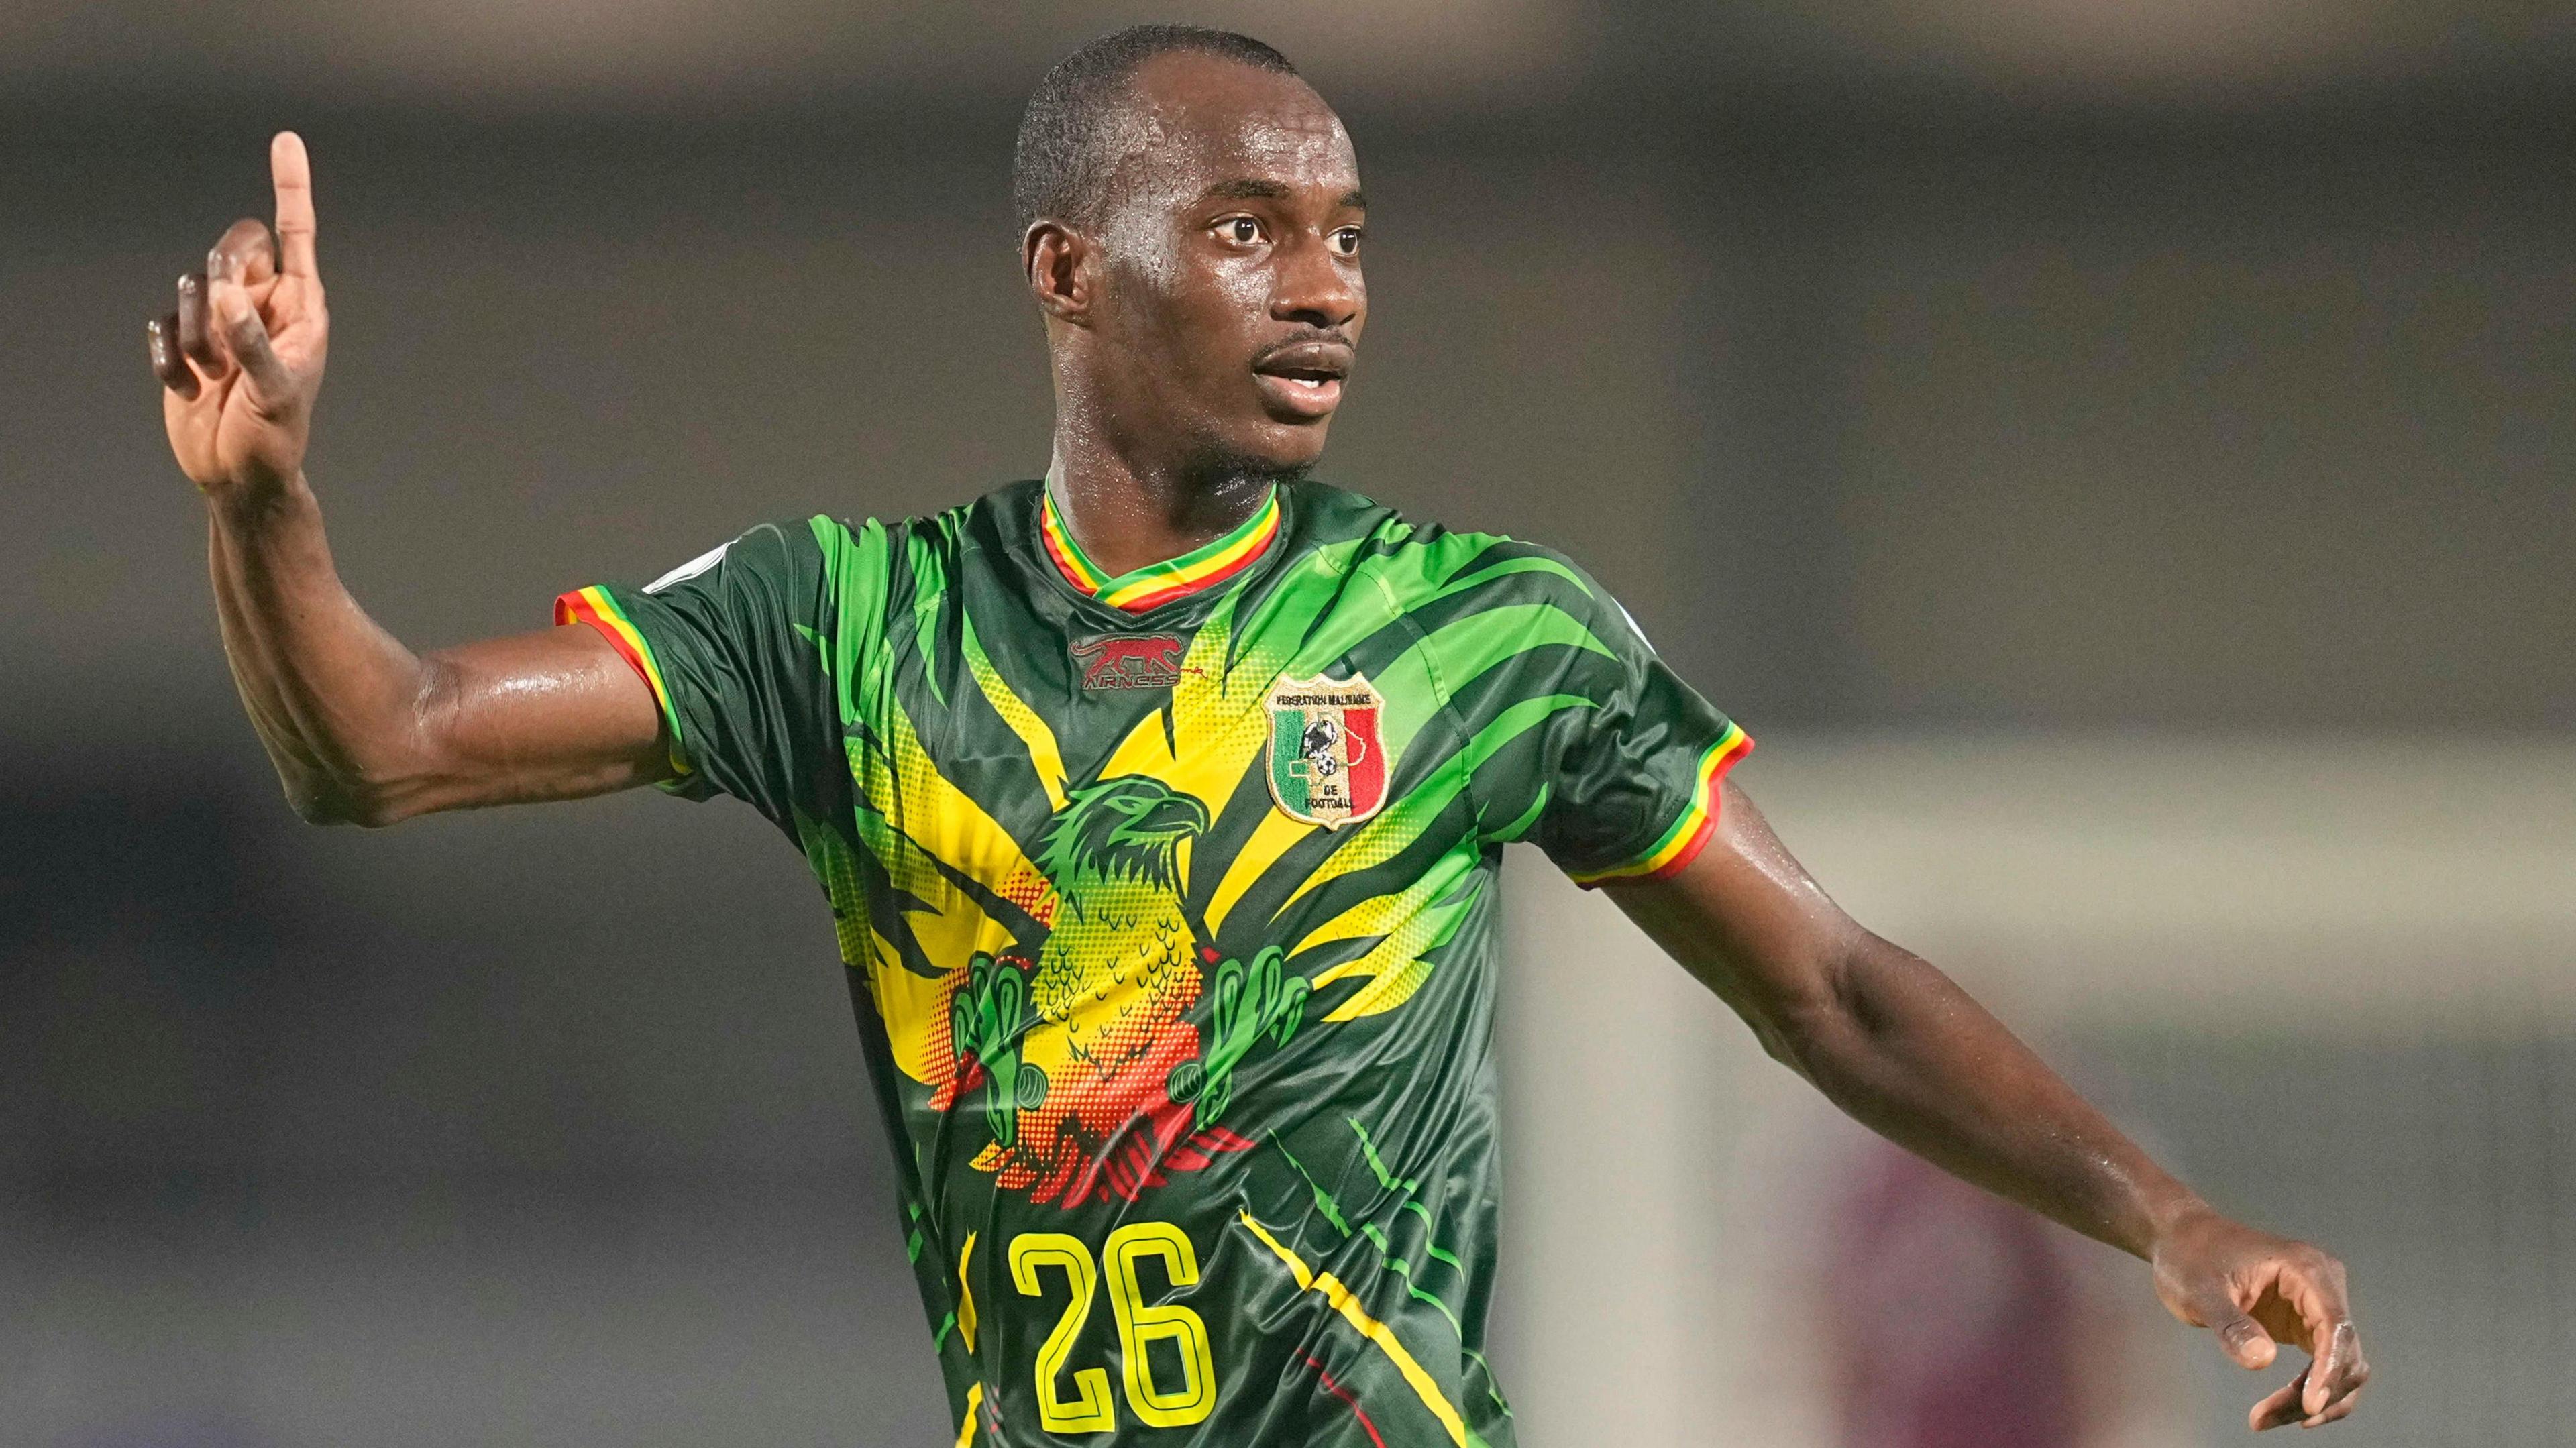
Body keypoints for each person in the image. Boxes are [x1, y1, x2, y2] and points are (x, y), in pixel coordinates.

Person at [142, 24, 2369, 1447]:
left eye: (1347, 236)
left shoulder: (1478, 635)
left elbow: (1839, 987)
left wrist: (2160, 1217)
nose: (1327, 288)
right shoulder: (852, 624)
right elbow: (388, 739)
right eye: (1244, 229)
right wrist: (268, 506)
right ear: (1067, 270)